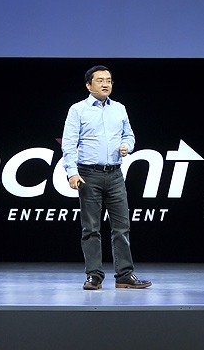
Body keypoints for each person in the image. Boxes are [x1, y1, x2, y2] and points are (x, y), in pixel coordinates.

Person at [62, 65, 152, 290]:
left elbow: (129, 135)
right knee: (91, 229)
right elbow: (69, 143)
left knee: (122, 227)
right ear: (88, 85)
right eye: (100, 80)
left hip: (115, 175)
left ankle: (124, 275)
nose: (106, 84)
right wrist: (72, 172)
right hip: (88, 174)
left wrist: (127, 146)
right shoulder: (78, 110)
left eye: (109, 80)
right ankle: (94, 276)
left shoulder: (119, 108)